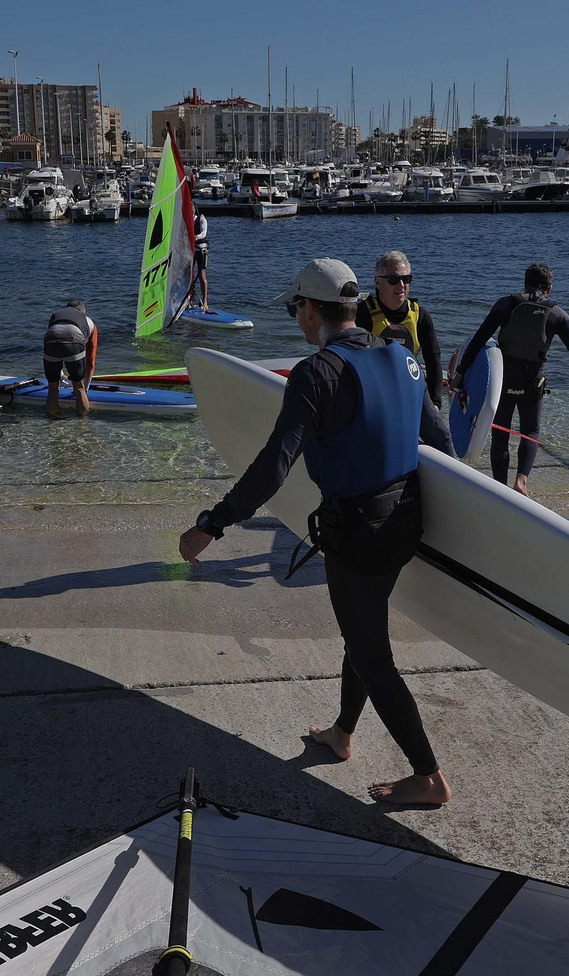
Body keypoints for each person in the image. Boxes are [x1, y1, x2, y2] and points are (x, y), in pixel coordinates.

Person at [178, 258, 454, 806]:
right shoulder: (403, 356)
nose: (295, 317)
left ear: (310, 309)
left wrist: (211, 524)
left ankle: (428, 777)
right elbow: (440, 439)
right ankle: (343, 734)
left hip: (356, 537)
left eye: (293, 307)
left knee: (373, 656)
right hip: (405, 524)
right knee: (362, 632)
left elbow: (271, 469)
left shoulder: (314, 373)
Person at [453, 264, 569, 496]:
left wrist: (460, 373)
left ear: (525, 283)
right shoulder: (557, 314)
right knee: (530, 431)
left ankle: (500, 487)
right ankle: (522, 480)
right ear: (549, 288)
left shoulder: (506, 304)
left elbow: (479, 339)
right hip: (532, 382)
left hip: (503, 381)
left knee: (501, 434)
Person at [359, 251, 443, 408]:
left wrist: (436, 402)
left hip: (408, 389)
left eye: (406, 279)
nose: (401, 285)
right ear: (377, 281)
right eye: (394, 279)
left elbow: (433, 360)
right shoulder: (362, 314)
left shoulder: (420, 316)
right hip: (372, 394)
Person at [41, 299, 98, 418]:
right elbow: (91, 362)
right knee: (79, 388)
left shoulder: (55, 316)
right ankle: (82, 422)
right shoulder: (89, 322)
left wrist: (60, 375)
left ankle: (53, 420)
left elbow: (55, 339)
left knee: (52, 387)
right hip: (74, 339)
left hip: (51, 339)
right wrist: (85, 388)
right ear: (83, 312)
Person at [192, 210, 210, 311]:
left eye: (191, 209)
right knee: (189, 276)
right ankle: (189, 301)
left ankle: (205, 302)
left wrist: (197, 236)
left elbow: (203, 233)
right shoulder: (186, 220)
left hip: (201, 250)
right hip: (191, 250)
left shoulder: (201, 219)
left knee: (202, 276)